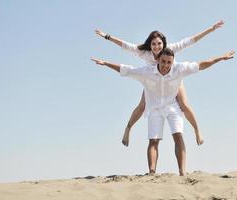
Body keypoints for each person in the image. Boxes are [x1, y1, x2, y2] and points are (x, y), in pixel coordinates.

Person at [91, 48, 235, 176]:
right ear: (158, 60)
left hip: (173, 106)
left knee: (178, 135)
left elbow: (201, 65)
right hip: (154, 108)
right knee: (153, 140)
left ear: (172, 62)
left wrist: (220, 58)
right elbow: (126, 70)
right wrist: (106, 63)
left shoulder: (179, 69)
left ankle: (182, 171)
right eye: (163, 61)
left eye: (169, 62)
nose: (166, 65)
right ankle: (152, 172)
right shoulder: (146, 72)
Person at [95, 20, 224, 147]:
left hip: (172, 79)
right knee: (142, 105)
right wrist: (107, 36)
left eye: (159, 44)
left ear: (164, 43)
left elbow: (191, 41)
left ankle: (197, 131)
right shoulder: (144, 53)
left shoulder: (170, 49)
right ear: (149, 45)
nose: (157, 47)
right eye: (153, 44)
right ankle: (128, 129)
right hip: (153, 82)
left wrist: (211, 29)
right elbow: (124, 45)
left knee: (184, 104)